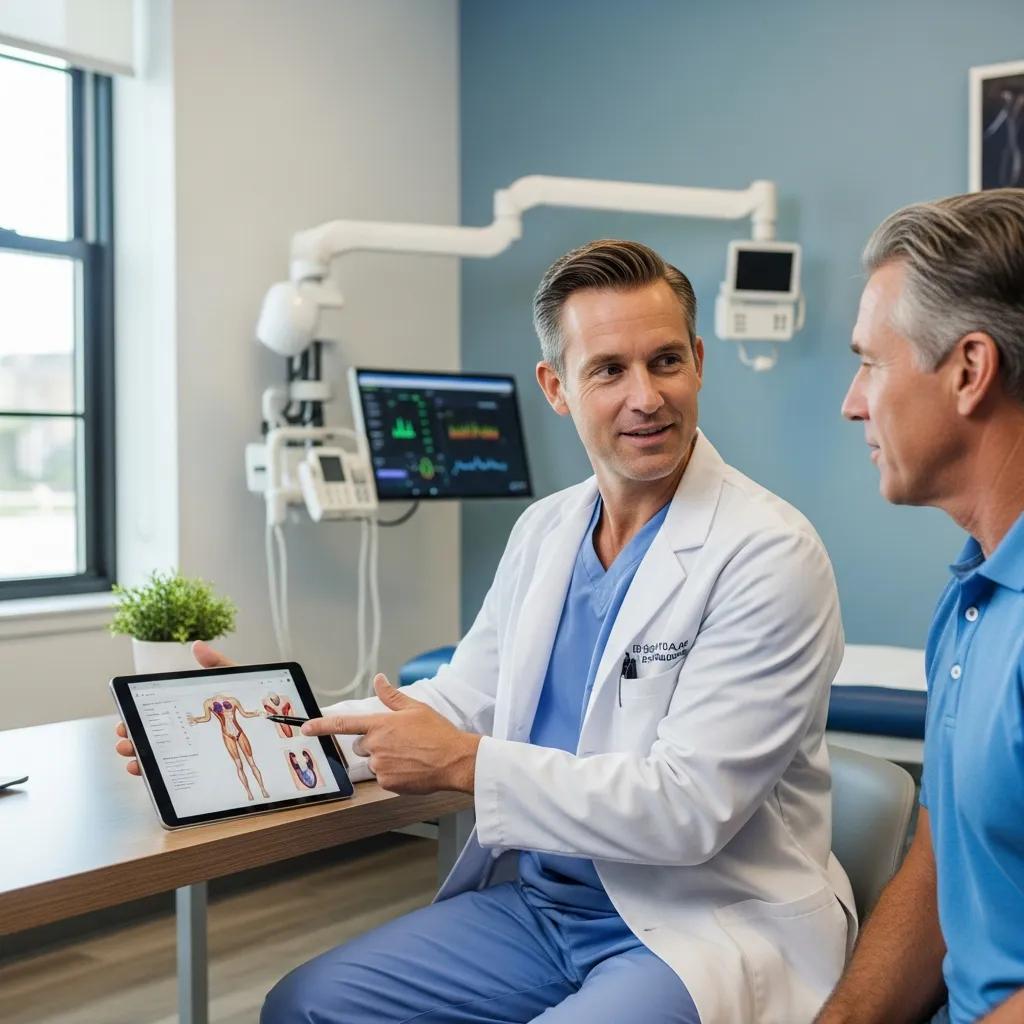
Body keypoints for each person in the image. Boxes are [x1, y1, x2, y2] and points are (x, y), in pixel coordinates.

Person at [118, 239, 854, 1024]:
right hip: (540, 913)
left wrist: (467, 765)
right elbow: (460, 700)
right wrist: (284, 733)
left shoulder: (769, 552)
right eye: (608, 370)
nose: (646, 396)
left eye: (665, 361)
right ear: (556, 387)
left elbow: (688, 808)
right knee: (305, 1006)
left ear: (699, 363)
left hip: (703, 924)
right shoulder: (546, 531)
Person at [816, 189, 1024, 1024]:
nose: (852, 401)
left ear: (970, 371)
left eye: (871, 361)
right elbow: (943, 871)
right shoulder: (972, 597)